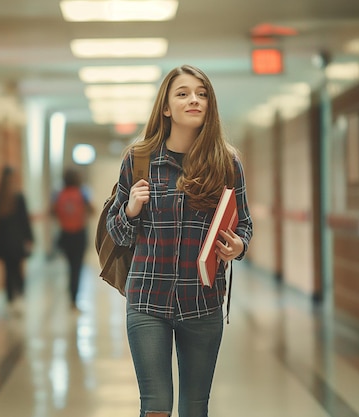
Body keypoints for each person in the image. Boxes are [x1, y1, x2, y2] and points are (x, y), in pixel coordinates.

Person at [106, 64, 253, 417]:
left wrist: (238, 246)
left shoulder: (226, 163)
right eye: (183, 93)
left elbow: (244, 223)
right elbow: (117, 232)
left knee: (194, 408)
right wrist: (130, 210)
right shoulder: (139, 159)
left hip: (202, 301)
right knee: (155, 407)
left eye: (202, 94)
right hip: (147, 299)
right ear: (166, 108)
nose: (194, 100)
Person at [51, 168, 94, 310]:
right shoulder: (82, 193)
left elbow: (52, 212)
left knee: (70, 267)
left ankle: (71, 295)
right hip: (79, 235)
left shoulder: (58, 194)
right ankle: (73, 299)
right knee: (77, 268)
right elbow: (92, 210)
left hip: (65, 235)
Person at [0, 166, 34, 314]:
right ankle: (19, 298)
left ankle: (9, 300)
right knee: (18, 270)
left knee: (8, 271)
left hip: (3, 242)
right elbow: (24, 221)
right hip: (17, 241)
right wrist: (30, 238)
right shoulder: (19, 198)